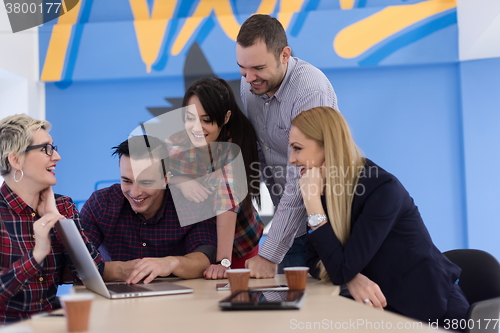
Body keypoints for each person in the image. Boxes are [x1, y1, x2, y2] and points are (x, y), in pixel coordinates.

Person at [289, 106, 469, 323]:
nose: (291, 159)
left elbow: (339, 268)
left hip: (431, 308)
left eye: (297, 148)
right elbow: (314, 259)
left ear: (328, 147)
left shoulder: (382, 189)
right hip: (382, 308)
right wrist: (353, 277)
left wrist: (312, 203)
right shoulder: (325, 189)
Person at [236, 14, 338, 278]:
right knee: (289, 311)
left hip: (326, 221)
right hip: (288, 221)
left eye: (257, 68)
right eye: (242, 68)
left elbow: (301, 175)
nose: (248, 78)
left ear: (284, 55)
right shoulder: (250, 86)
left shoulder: (309, 89)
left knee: (325, 309)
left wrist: (270, 252)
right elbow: (257, 151)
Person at [0, 114, 104, 324]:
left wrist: (59, 222)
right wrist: (37, 254)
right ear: (16, 159)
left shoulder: (62, 205)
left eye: (54, 148)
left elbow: (94, 273)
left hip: (51, 325)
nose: (56, 157)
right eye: (46, 149)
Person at [80, 135, 217, 283]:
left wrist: (171, 262)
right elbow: (73, 264)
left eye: (146, 182)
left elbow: (204, 258)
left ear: (166, 179)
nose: (135, 192)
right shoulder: (101, 204)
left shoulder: (190, 204)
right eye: (126, 181)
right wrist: (118, 270)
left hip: (177, 300)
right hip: (115, 300)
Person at [167, 77, 263, 279]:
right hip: (198, 242)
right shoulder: (176, 141)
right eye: (190, 118)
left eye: (207, 120)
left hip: (237, 242)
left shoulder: (234, 148)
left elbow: (226, 204)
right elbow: (155, 174)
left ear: (226, 117)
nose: (196, 127)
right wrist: (180, 180)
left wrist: (223, 262)